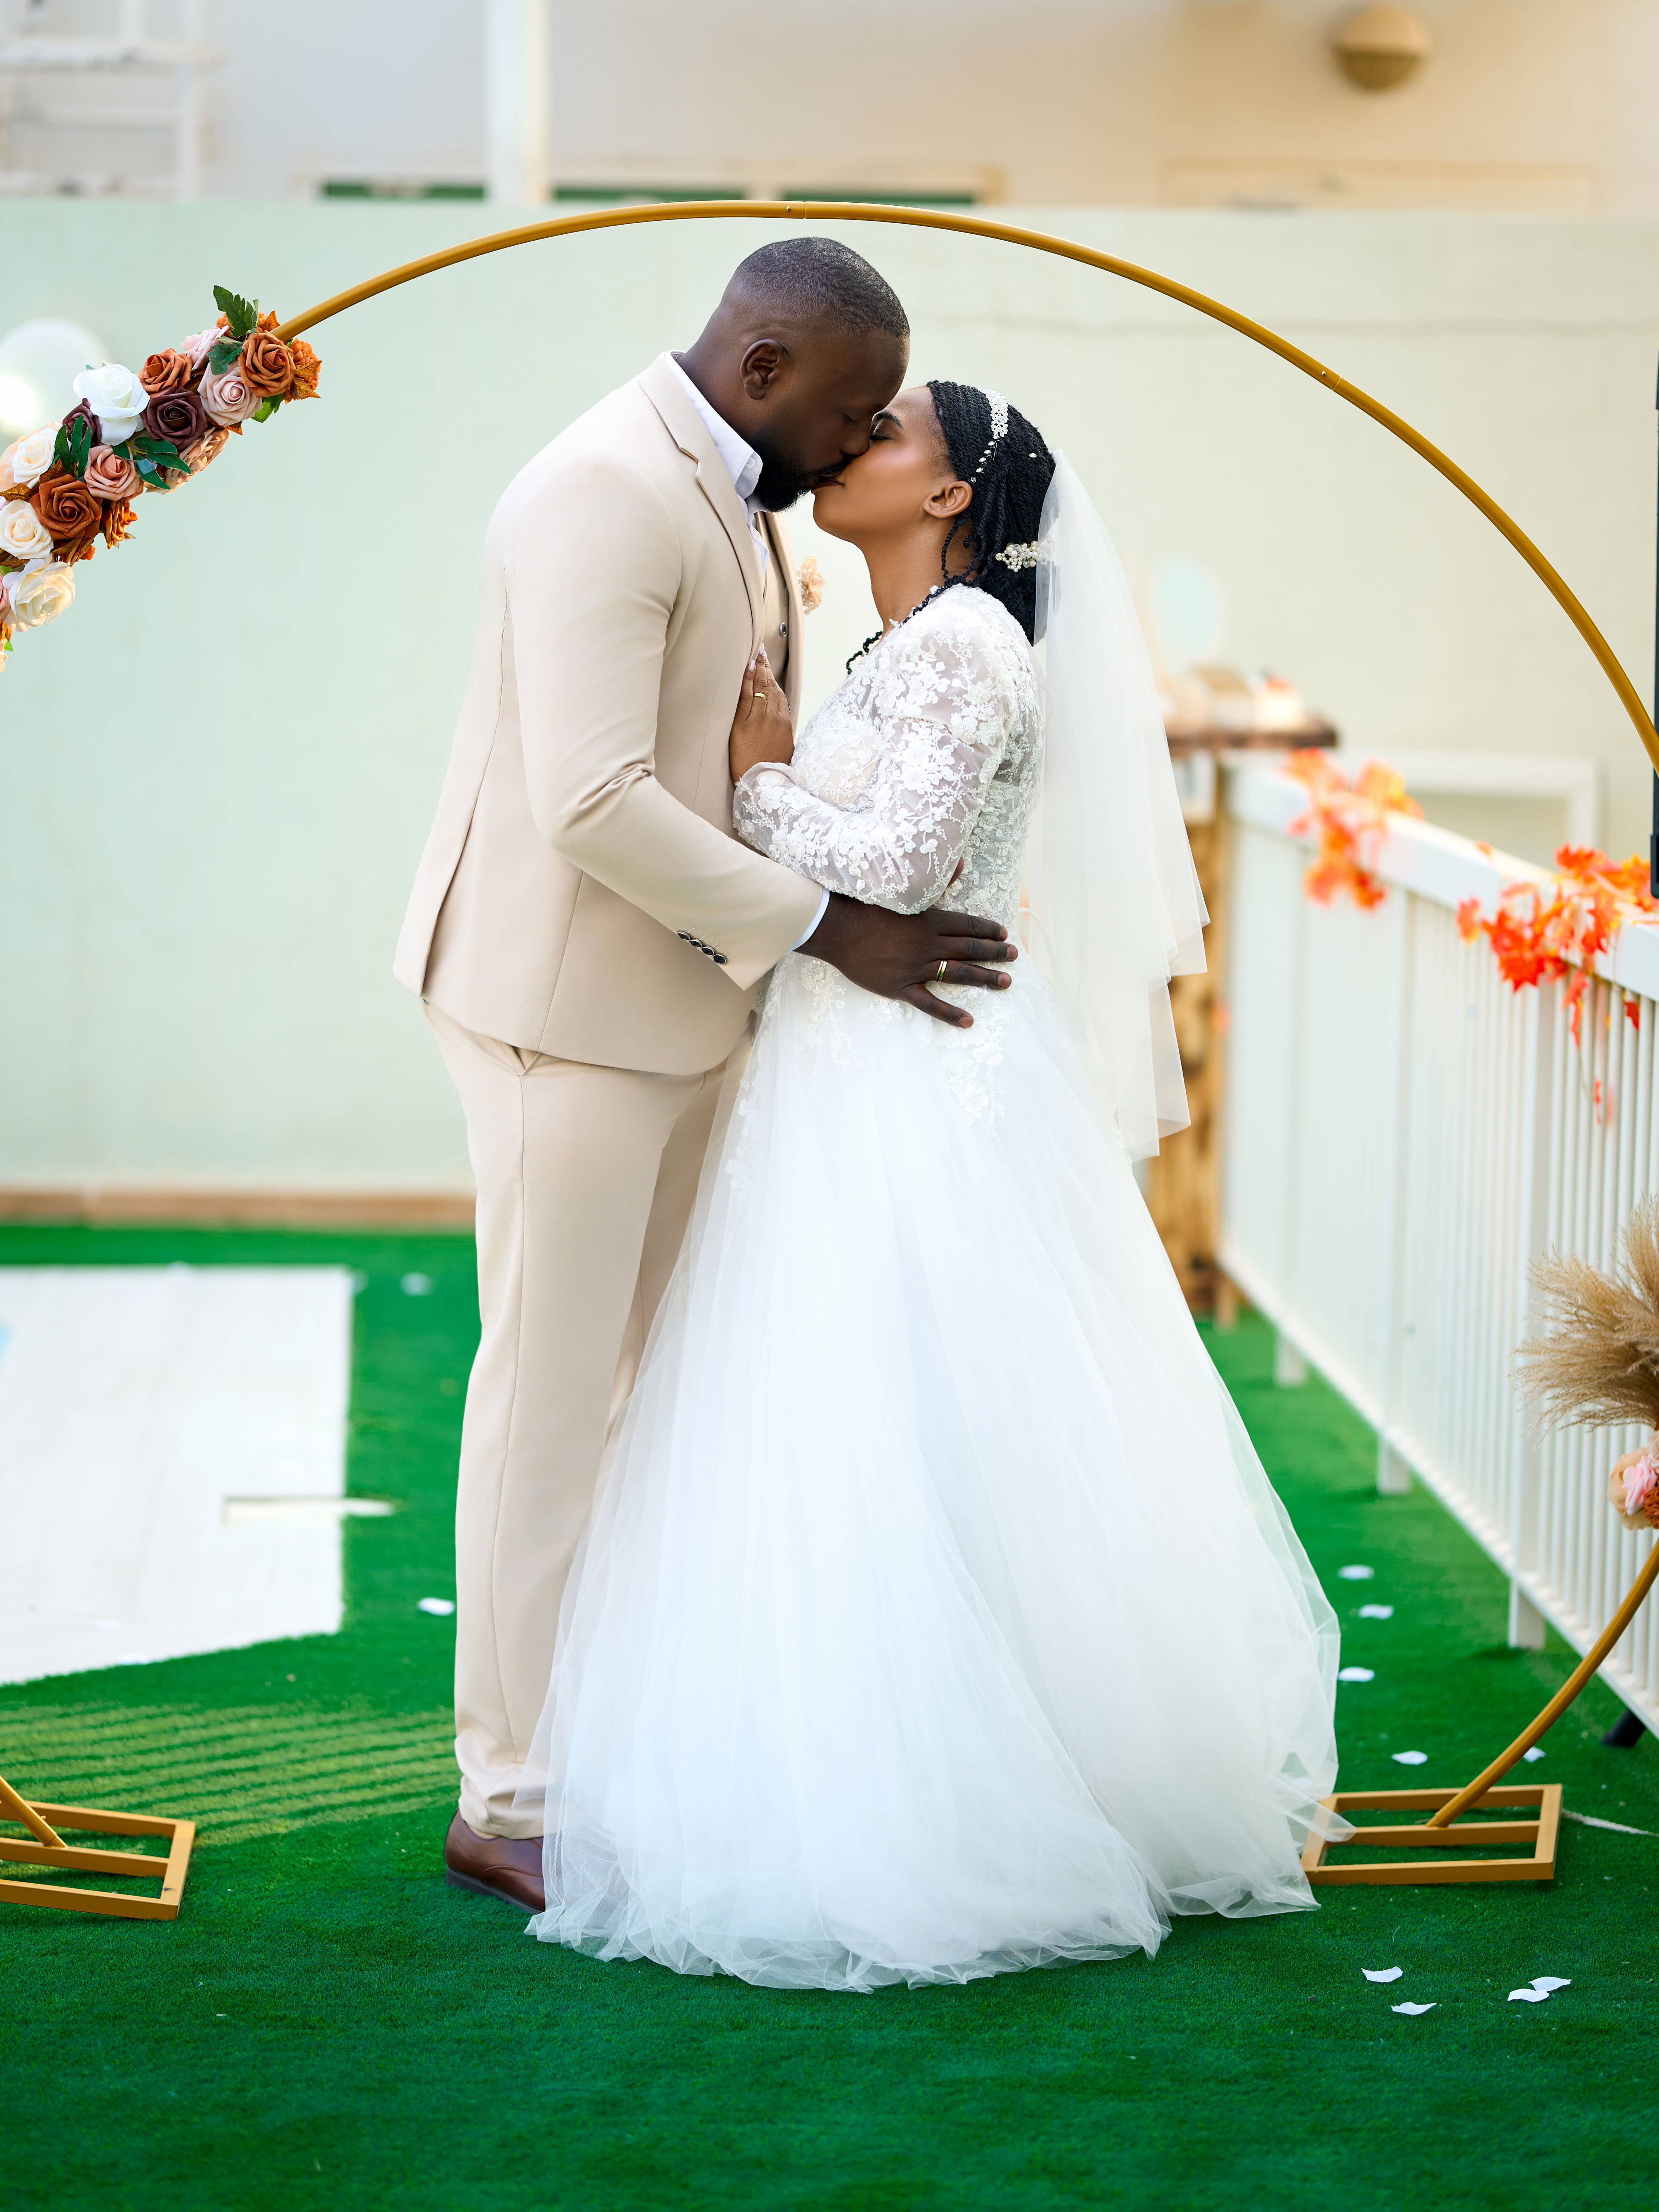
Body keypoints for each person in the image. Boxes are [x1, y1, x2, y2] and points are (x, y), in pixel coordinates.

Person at [520, 380, 1343, 1991]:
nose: (850, 446)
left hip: (919, 1079)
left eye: (887, 432)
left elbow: (898, 869)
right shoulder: (904, 642)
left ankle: (963, 1797)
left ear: (954, 493)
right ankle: (841, 1770)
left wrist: (760, 780)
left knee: (912, 1408)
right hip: (846, 1067)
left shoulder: (967, 644)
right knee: (845, 1416)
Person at [394, 242, 1018, 1908]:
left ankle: (611, 1739)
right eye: (850, 408)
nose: (861, 436)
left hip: (687, 1005)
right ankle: (509, 1789)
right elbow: (591, 799)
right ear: (761, 370)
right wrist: (831, 926)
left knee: (644, 1395)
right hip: (563, 1009)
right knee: (545, 1401)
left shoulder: (746, 496)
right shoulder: (603, 488)